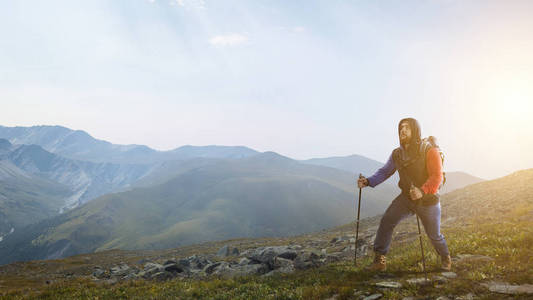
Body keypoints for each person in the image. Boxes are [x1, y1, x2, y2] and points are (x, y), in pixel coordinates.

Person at [357, 117, 451, 272]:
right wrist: (368, 181)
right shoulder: (397, 154)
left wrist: (422, 191)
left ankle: (445, 256)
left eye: (407, 127)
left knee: (434, 235)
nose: (403, 130)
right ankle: (379, 260)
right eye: (401, 127)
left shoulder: (429, 150)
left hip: (428, 200)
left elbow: (437, 176)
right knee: (387, 220)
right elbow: (385, 171)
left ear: (415, 130)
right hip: (407, 198)